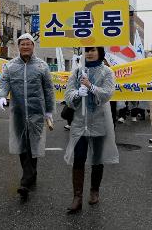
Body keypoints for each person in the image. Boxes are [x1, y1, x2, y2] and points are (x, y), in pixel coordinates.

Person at [0, 33, 55, 198]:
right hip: (19, 112)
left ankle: (25, 181)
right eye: (22, 44)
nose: (26, 47)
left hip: (37, 111)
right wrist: (1, 96)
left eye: (29, 44)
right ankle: (30, 175)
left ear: (33, 46)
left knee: (33, 144)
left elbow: (49, 90)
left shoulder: (42, 66)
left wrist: (49, 110)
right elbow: (3, 82)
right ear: (18, 46)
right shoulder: (10, 66)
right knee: (22, 145)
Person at [64, 46, 119, 213]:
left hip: (99, 121)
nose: (89, 52)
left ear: (99, 52)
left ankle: (94, 190)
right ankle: (77, 197)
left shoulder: (107, 72)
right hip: (80, 123)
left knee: (97, 158)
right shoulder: (77, 72)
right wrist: (76, 94)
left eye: (92, 50)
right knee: (79, 157)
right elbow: (68, 95)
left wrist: (90, 87)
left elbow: (108, 93)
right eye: (86, 50)